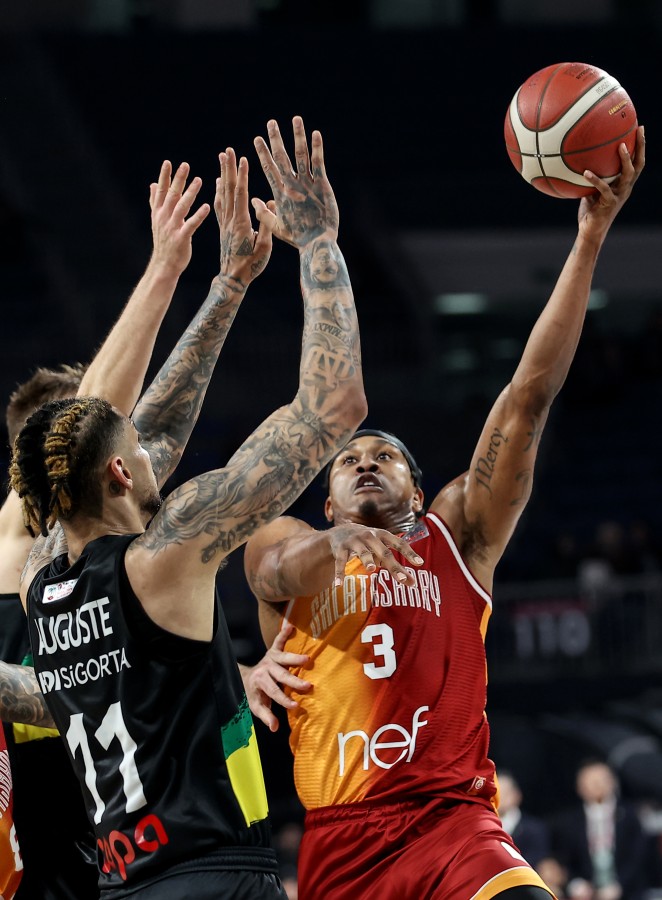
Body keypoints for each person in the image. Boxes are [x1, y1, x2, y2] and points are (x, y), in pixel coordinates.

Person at [243, 126, 646, 899]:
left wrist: (590, 237)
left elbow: (528, 397)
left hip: (453, 823)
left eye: (385, 455)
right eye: (349, 459)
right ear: (325, 501)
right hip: (342, 844)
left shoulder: (456, 534)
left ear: (419, 492)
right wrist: (337, 545)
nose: (366, 460)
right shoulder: (291, 540)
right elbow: (270, 568)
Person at [9, 116, 367, 899]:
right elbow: (333, 407)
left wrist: (229, 285)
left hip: (123, 885)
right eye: (138, 454)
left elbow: (156, 430)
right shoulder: (165, 555)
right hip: (215, 877)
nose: (157, 454)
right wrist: (319, 245)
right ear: (118, 473)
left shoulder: (41, 578)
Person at [0, 157, 211, 899]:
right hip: (42, 815)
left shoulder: (104, 540)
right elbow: (97, 410)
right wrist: (163, 271)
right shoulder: (20, 526)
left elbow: (158, 429)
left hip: (113, 813)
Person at [550, 759, 649, 900]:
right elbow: (564, 859)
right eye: (590, 781)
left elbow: (638, 856)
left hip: (629, 892)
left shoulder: (630, 815)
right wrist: (575, 883)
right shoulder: (569, 822)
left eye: (601, 779)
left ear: (613, 782)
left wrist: (620, 885)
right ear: (579, 787)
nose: (597, 785)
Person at [498, 771, 552, 871]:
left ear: (517, 795)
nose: (499, 798)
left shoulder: (535, 830)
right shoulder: (479, 829)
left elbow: (539, 864)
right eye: (495, 792)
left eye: (504, 793)